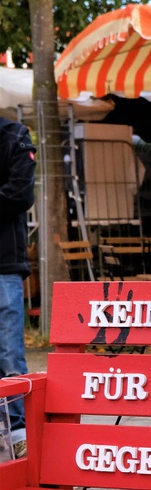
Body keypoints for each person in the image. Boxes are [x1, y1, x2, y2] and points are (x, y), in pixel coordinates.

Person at [0, 117, 36, 460]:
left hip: (4, 265)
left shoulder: (14, 135)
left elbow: (20, 194)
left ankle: (21, 444)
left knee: (10, 359)